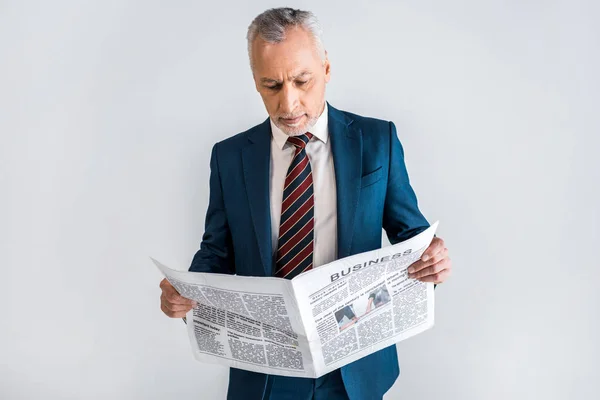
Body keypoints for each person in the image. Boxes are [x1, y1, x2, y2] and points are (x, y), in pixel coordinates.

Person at [159, 7, 452, 400]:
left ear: (326, 68)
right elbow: (216, 252)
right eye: (272, 86)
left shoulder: (377, 140)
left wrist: (432, 259)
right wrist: (187, 291)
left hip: (355, 367)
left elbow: (412, 235)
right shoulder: (229, 158)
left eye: (302, 80)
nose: (289, 103)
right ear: (255, 83)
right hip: (265, 373)